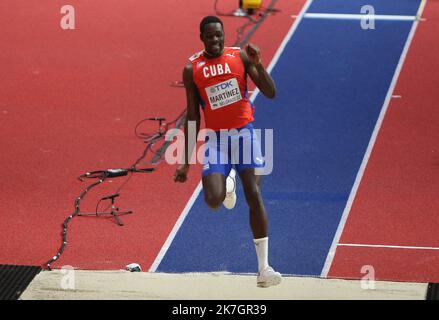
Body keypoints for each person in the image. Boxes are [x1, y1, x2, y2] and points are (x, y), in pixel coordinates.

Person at [173, 15, 281, 288]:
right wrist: (186, 161)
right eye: (210, 36)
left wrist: (258, 64)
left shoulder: (240, 57)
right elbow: (193, 115)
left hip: (244, 133)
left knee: (254, 194)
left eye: (219, 35)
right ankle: (227, 181)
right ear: (202, 38)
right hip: (216, 141)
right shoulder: (192, 69)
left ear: (224, 34)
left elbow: (270, 92)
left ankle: (264, 268)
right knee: (212, 199)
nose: (216, 40)